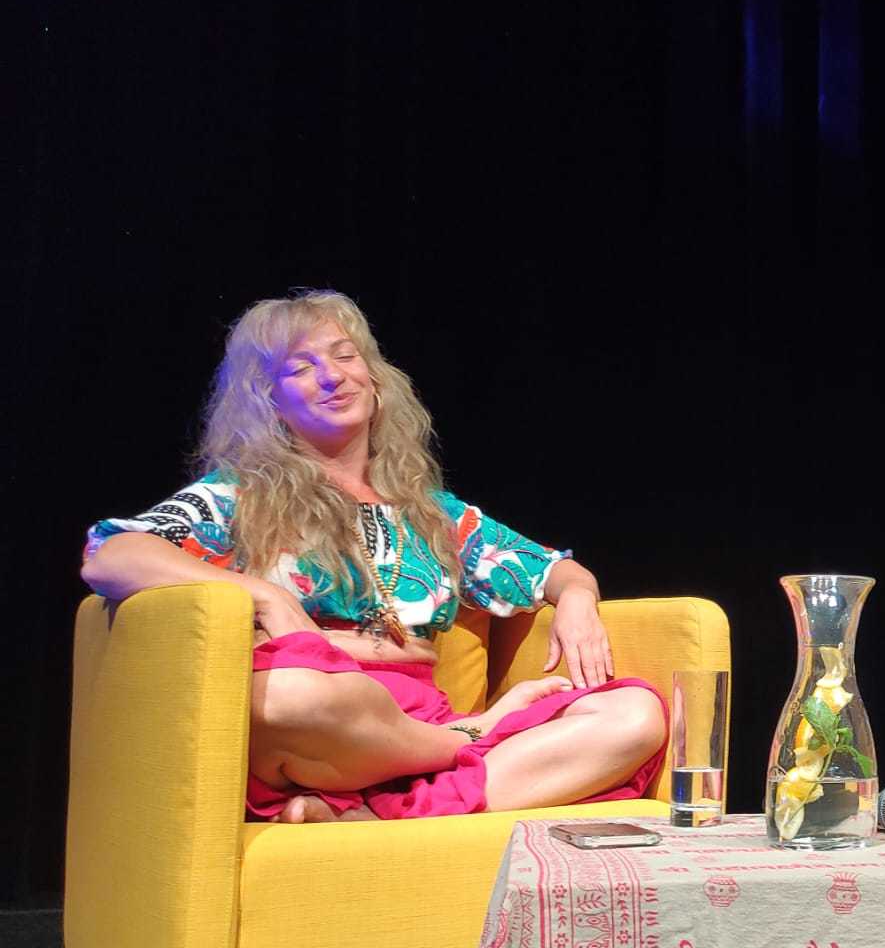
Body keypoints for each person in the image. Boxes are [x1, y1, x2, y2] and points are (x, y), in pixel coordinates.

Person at [80, 290, 668, 823]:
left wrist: (578, 598)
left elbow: (551, 568)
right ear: (269, 401)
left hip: (413, 722)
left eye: (345, 356)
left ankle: (380, 809)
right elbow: (110, 554)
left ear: (376, 378)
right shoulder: (240, 495)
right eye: (301, 368)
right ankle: (463, 745)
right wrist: (266, 596)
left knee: (635, 714)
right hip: (322, 723)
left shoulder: (431, 512)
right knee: (290, 696)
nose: (332, 376)